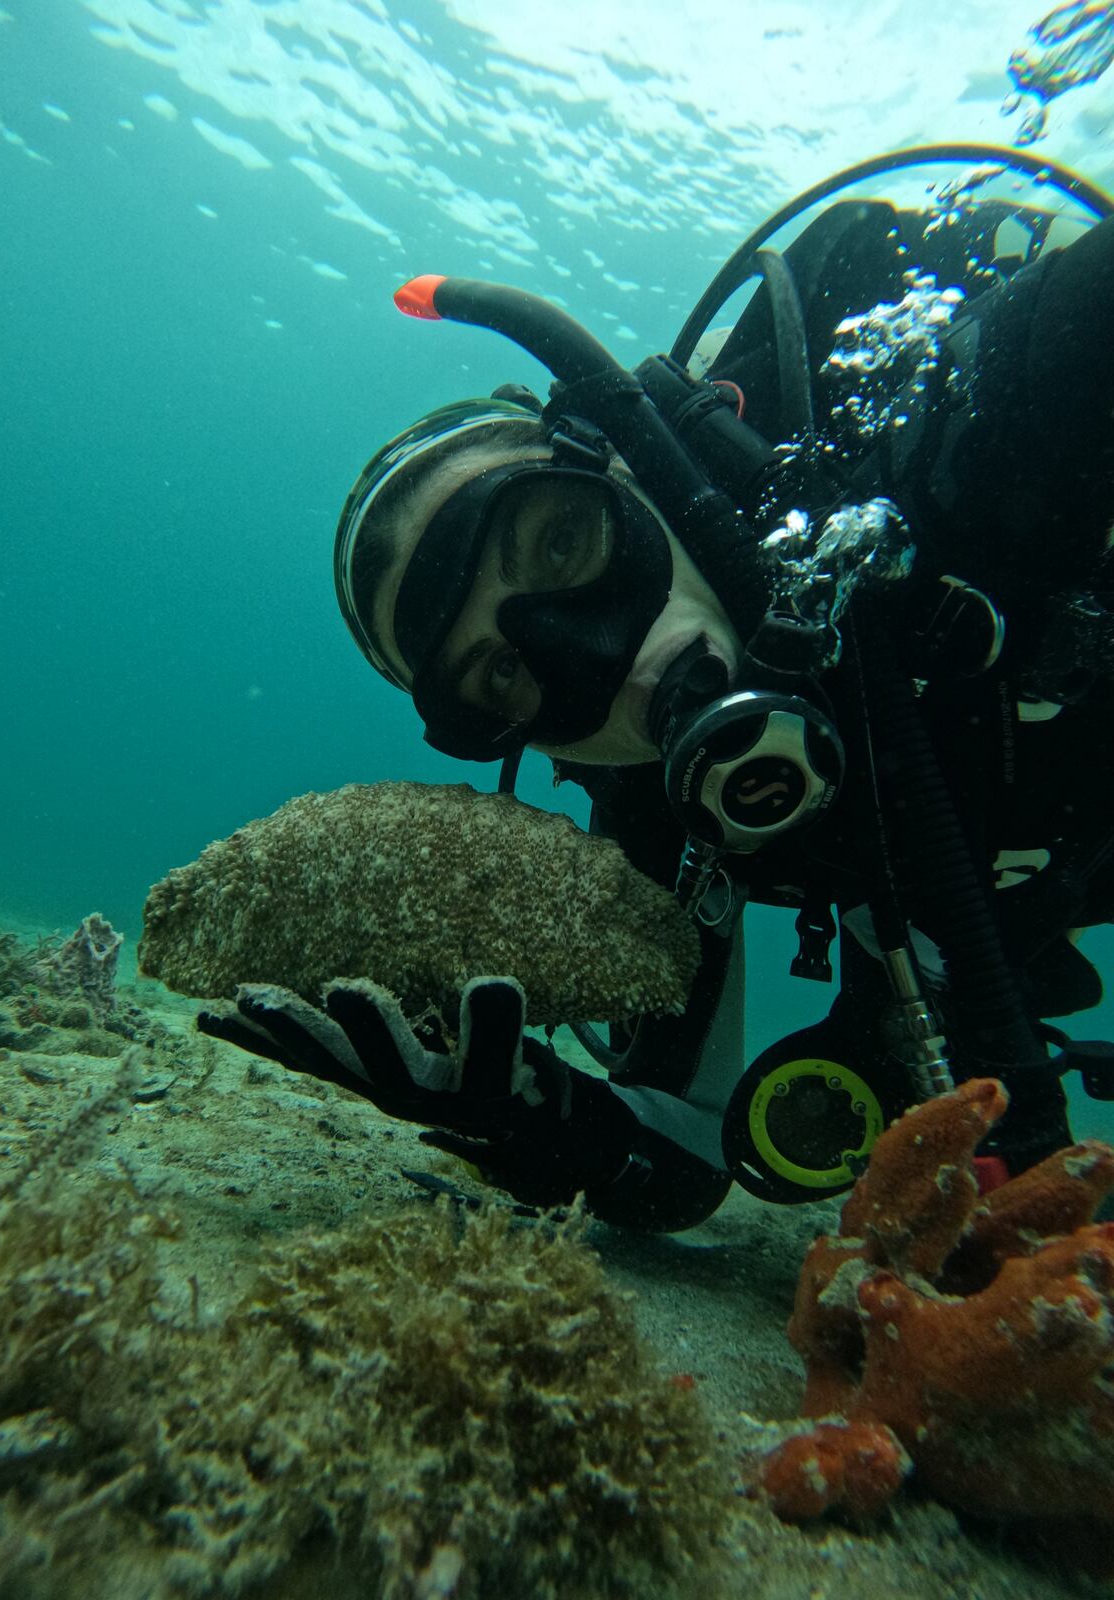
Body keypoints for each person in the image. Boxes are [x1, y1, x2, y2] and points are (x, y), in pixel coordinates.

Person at [201, 147, 1114, 1230]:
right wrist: (536, 1113)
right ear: (514, 739)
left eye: (557, 543)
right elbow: (680, 1151)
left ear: (634, 467)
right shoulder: (656, 816)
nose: (589, 650)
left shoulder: (951, 432)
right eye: (501, 670)